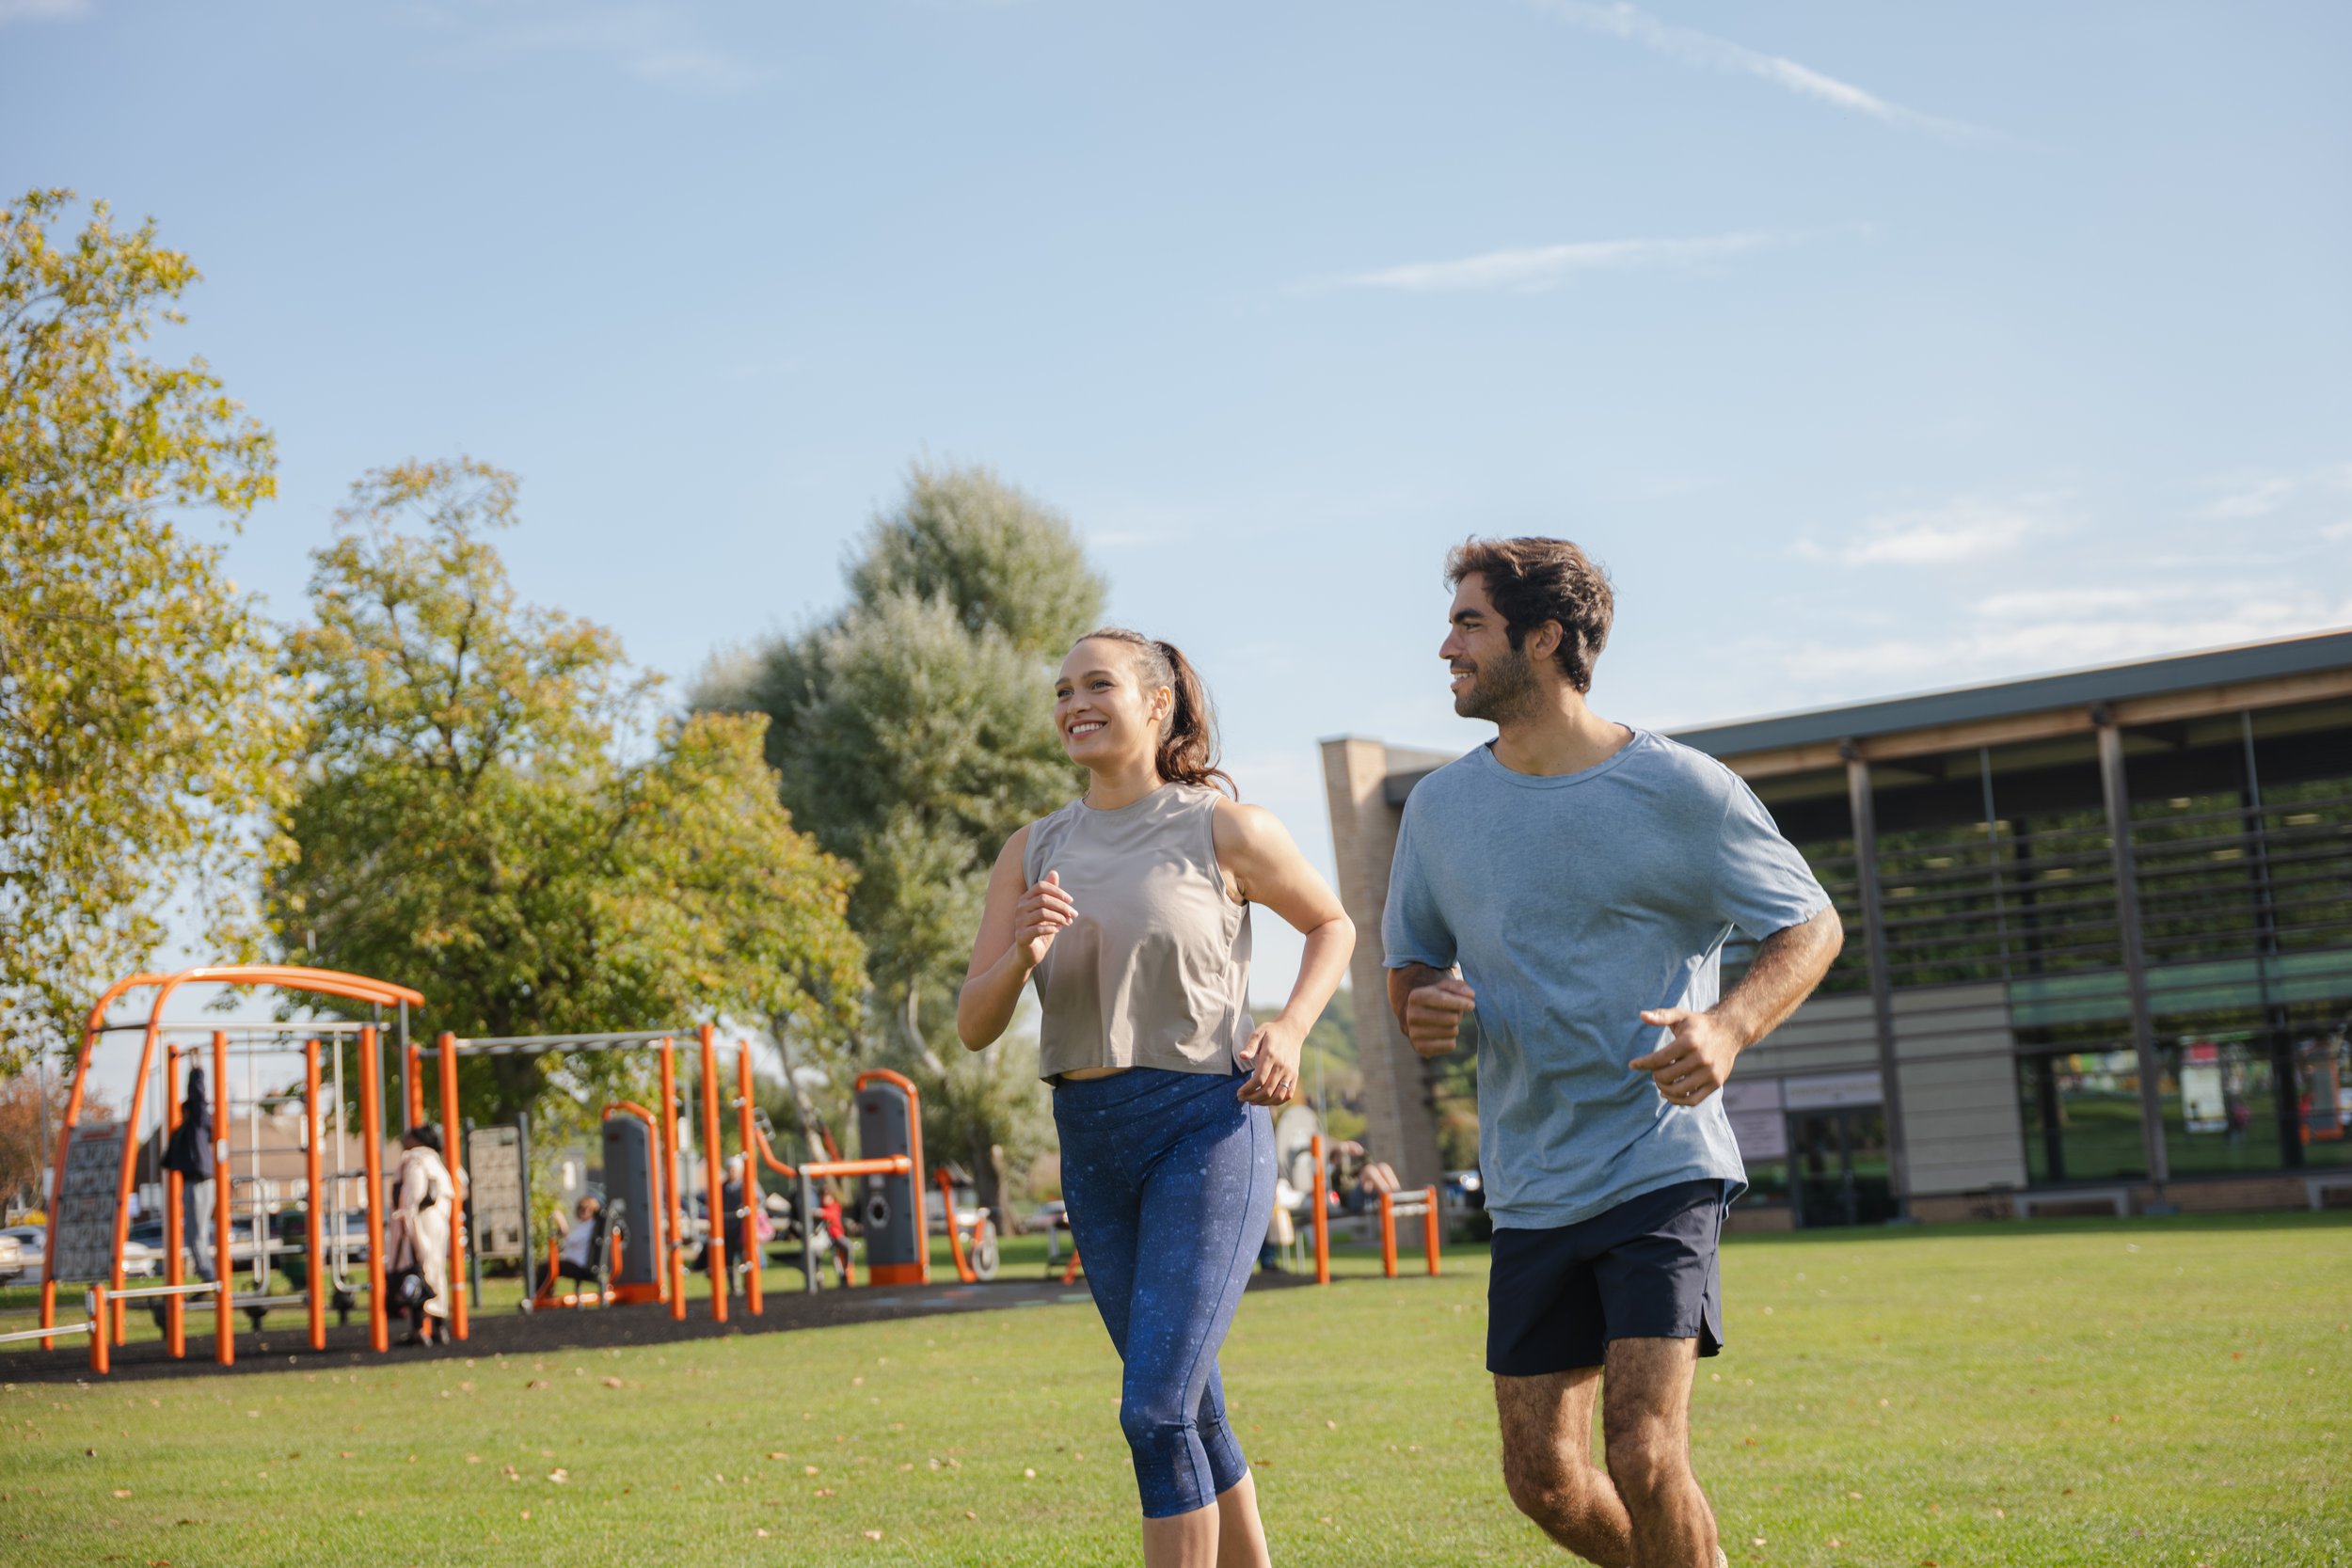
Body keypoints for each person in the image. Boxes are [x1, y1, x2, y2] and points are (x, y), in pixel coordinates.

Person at [1383, 539, 1842, 1568]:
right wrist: (1420, 1005)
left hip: (1658, 1160)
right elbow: (1409, 963)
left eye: (1469, 623)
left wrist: (1726, 1025)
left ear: (1542, 637)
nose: (1444, 644)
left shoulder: (1681, 788)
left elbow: (1809, 925)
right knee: (1541, 1477)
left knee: (1641, 1450)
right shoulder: (1441, 809)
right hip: (1531, 1177)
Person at [958, 626, 1355, 1568]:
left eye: (1095, 684)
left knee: (1156, 1407)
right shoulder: (1031, 847)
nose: (1072, 703)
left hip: (1203, 1125)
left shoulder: (1225, 828)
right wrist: (1020, 946)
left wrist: (1291, 1027)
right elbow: (975, 1023)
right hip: (1090, 1140)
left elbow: (1331, 922)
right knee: (1191, 1401)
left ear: (1156, 702)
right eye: (1060, 691)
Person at [385, 1124, 459, 1346]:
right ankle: (439, 1327)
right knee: (436, 1273)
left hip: (419, 1223)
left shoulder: (414, 1160)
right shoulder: (437, 1163)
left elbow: (413, 1193)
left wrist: (406, 1218)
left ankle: (419, 1330)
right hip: (438, 1222)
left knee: (416, 1273)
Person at [158, 1066, 215, 1284]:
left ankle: (208, 1274)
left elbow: (199, 1098)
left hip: (201, 1183)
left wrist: (196, 1070)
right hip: (190, 1183)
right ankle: (206, 1273)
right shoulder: (181, 1132)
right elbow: (169, 1160)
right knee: (192, 1235)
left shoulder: (197, 1125)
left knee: (198, 1234)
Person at [557, 1195, 603, 1286]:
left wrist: (561, 1221)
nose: (584, 1211)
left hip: (579, 1266)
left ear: (593, 1211)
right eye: (581, 1208)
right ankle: (545, 1295)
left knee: (546, 1267)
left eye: (587, 1209)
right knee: (550, 1266)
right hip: (576, 1264)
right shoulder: (585, 1225)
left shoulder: (590, 1226)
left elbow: (571, 1240)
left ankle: (539, 1296)